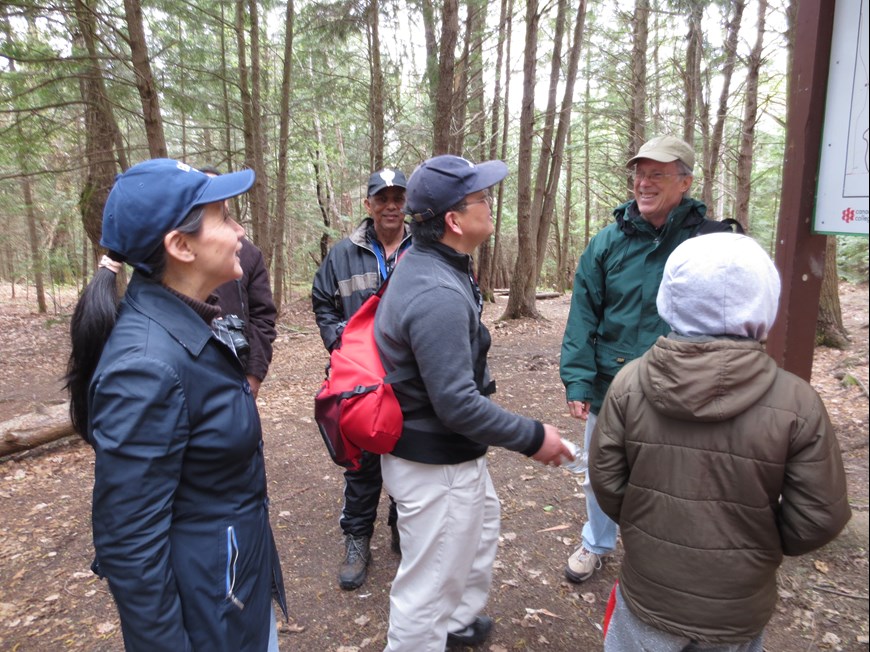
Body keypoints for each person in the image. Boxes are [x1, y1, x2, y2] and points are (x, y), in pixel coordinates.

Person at [65, 159, 287, 651]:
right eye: (225, 218)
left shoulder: (190, 324)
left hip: (231, 591)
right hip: (207, 613)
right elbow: (129, 546)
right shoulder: (146, 367)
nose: (239, 230)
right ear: (180, 246)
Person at [590, 232, 851, 651]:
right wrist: (758, 543)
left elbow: (606, 480)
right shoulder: (796, 400)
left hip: (650, 590)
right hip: (737, 606)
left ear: (671, 297)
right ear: (765, 298)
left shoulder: (630, 383)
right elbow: (819, 517)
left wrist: (645, 524)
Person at [373, 154, 571, 650]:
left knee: (478, 537)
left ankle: (457, 625)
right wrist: (533, 437)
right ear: (454, 221)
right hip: (433, 461)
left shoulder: (441, 265)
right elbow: (457, 404)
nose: (491, 204)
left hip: (452, 454)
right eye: (482, 198)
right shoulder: (436, 290)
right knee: (427, 587)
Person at [559, 135, 717, 584]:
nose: (644, 183)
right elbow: (583, 313)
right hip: (613, 382)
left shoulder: (708, 241)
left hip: (684, 385)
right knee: (600, 471)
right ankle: (596, 542)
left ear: (685, 182)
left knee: (675, 475)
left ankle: (664, 554)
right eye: (640, 174)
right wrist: (577, 380)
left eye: (658, 175)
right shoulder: (608, 242)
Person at [311, 167, 412, 590]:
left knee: (408, 461)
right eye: (382, 198)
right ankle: (356, 539)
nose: (390, 206)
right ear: (368, 205)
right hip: (357, 382)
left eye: (397, 198)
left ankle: (402, 530)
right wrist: (342, 345)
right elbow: (322, 302)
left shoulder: (423, 247)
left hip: (408, 379)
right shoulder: (342, 254)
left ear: (406, 203)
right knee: (361, 464)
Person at [200, 165, 277, 401]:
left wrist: (254, 373)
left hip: (236, 373)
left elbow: (263, 317)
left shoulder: (249, 255)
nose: (239, 231)